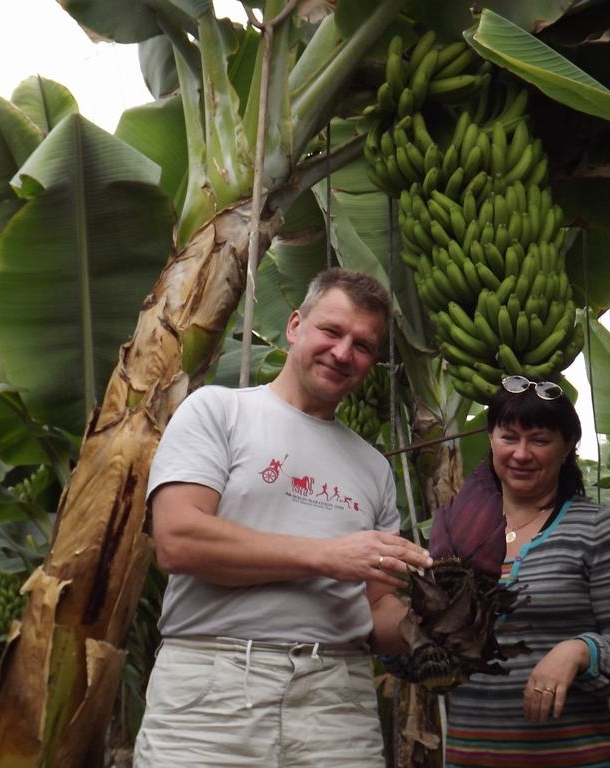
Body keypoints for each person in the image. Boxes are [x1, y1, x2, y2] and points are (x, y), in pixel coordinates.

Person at [133, 268, 433, 767]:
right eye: (331, 331)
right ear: (296, 326)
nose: (342, 353)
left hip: (337, 701)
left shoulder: (373, 467)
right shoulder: (217, 411)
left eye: (361, 346)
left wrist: (432, 626)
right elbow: (179, 541)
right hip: (213, 693)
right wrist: (330, 557)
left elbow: (375, 605)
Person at [433, 375, 610, 767]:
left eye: (539, 440)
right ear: (490, 439)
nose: (521, 454)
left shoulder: (597, 530)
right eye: (509, 437)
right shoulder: (454, 530)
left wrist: (579, 651)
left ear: (567, 447)